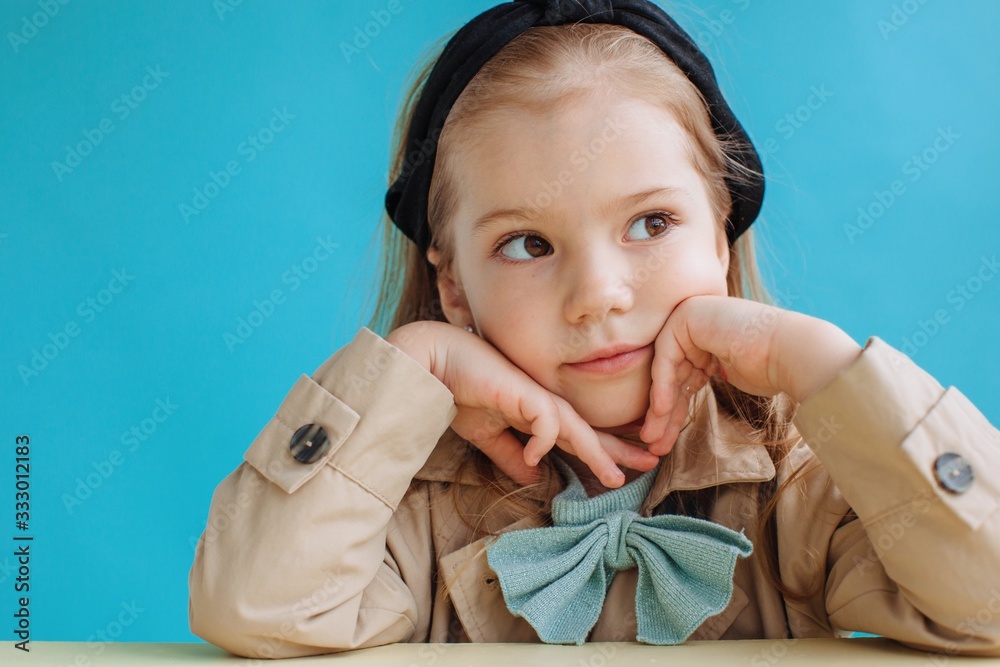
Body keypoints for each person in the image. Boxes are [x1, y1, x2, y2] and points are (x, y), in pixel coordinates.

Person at [188, 0, 1000, 659]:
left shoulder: (799, 477)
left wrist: (822, 365)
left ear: (721, 237)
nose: (598, 296)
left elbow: (986, 602)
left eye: (651, 223)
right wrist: (411, 364)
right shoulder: (402, 498)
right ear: (454, 286)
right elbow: (257, 608)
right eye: (527, 244)